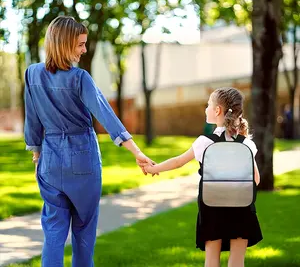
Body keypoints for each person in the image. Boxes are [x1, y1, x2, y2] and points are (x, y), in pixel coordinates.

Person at [24, 16, 154, 267]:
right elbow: (106, 115)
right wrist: (136, 151)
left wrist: (37, 157)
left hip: (49, 161)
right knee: (83, 231)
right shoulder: (79, 78)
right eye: (80, 44)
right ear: (64, 44)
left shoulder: (32, 74)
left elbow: (32, 121)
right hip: (82, 158)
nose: (84, 50)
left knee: (53, 231)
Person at [144, 87, 263, 267]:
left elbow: (178, 162)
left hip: (212, 208)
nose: (206, 109)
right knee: (237, 261)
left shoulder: (205, 142)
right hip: (241, 208)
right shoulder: (247, 144)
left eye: (208, 105)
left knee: (211, 261)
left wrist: (154, 169)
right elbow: (256, 179)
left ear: (217, 111)